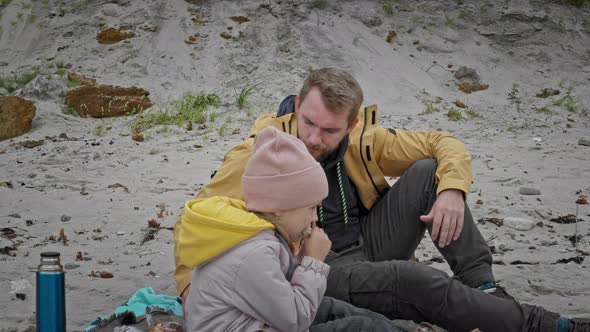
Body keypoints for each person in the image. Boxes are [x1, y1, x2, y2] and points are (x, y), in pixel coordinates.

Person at [174, 68, 589, 331]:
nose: (315, 139)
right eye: (309, 123)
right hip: (316, 265)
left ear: (352, 123)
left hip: (368, 242)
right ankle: (548, 325)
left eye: (330, 131)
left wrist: (452, 190)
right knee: (417, 283)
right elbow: (195, 221)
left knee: (429, 172)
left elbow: (444, 143)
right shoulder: (261, 154)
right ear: (298, 106)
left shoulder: (365, 140)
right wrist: (191, 295)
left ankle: (483, 287)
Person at [178, 126, 404, 332]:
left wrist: (302, 257)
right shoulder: (251, 253)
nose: (315, 217)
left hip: (261, 320)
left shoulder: (254, 232)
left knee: (331, 307)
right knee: (358, 327)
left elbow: (281, 293)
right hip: (273, 324)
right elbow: (295, 319)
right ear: (278, 209)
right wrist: (313, 262)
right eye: (311, 208)